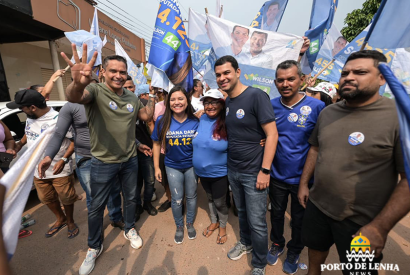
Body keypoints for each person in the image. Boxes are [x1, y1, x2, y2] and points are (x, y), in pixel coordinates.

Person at [298, 50, 410, 275]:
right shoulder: (328, 113)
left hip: (363, 222)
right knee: (314, 257)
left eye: (360, 72)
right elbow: (316, 148)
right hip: (318, 207)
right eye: (345, 72)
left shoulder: (398, 118)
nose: (349, 77)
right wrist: (303, 184)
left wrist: (380, 227)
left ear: (381, 78)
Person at [61, 44, 155, 275]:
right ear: (103, 72)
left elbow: (145, 115)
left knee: (131, 198)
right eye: (113, 71)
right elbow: (74, 96)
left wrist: (154, 95)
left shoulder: (132, 97)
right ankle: (94, 247)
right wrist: (78, 82)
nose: (119, 76)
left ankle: (129, 228)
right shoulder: (95, 91)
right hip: (102, 162)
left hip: (129, 160)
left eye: (122, 72)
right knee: (96, 207)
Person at [215, 55, 278, 275]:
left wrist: (265, 170)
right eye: (219, 75)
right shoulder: (229, 101)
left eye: (226, 73)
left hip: (255, 173)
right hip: (234, 170)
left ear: (238, 72)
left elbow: (272, 134)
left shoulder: (256, 96)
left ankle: (259, 263)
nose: (222, 78)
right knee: (241, 212)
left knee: (257, 221)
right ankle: (245, 243)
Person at [37, 74, 126, 232]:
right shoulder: (70, 107)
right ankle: (96, 226)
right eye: (83, 86)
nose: (88, 90)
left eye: (92, 86)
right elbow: (58, 134)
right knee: (93, 195)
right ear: (75, 87)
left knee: (113, 190)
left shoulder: (108, 103)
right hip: (86, 158)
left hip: (109, 157)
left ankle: (116, 218)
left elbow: (122, 128)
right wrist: (49, 156)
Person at [268, 60, 325, 274]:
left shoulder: (317, 107)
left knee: (299, 220)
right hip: (276, 176)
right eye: (281, 80)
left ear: (301, 79)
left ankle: (294, 250)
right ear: (275, 82)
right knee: (276, 215)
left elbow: (321, 144)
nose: (285, 83)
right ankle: (277, 243)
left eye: (291, 78)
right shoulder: (270, 105)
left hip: (304, 180)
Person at [6, 89, 79, 239]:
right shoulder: (30, 117)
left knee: (66, 197)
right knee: (46, 198)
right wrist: (19, 145)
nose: (20, 110)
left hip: (59, 169)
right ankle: (61, 218)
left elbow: (73, 142)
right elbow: (28, 133)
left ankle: (70, 221)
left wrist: (63, 159)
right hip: (37, 169)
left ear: (33, 107)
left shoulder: (59, 119)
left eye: (22, 107)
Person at [151, 86, 199, 244]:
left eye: (180, 99)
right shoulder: (162, 120)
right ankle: (179, 226)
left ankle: (189, 223)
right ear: (167, 102)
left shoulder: (195, 121)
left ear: (187, 100)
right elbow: (156, 144)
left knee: (191, 197)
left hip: (192, 166)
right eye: (173, 99)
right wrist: (157, 167)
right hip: (172, 166)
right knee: (177, 199)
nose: (176, 102)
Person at [192, 89, 229, 244]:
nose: (210, 106)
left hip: (220, 172)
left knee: (220, 202)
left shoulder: (229, 121)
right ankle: (214, 222)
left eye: (214, 102)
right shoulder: (200, 119)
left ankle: (223, 227)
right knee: (209, 198)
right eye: (207, 102)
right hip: (201, 172)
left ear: (221, 104)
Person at [133, 84, 157, 218]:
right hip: (132, 151)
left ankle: (146, 203)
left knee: (149, 180)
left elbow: (150, 122)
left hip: (147, 150)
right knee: (137, 182)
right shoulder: (124, 105)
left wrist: (154, 145)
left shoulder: (145, 104)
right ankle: (138, 206)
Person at [149, 89, 172, 213]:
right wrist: (157, 135)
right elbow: (150, 122)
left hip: (178, 152)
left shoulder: (182, 105)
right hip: (163, 151)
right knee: (165, 180)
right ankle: (170, 199)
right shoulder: (157, 107)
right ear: (164, 95)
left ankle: (180, 201)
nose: (173, 99)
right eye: (168, 94)